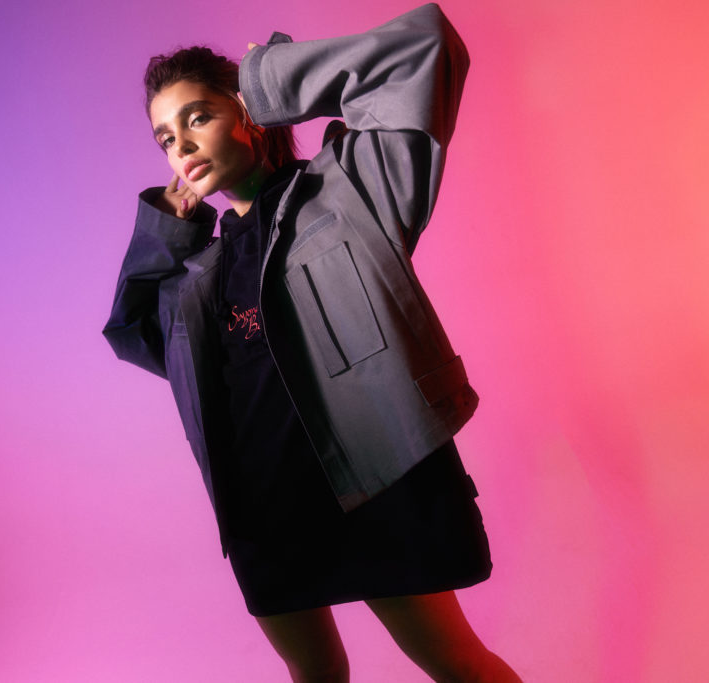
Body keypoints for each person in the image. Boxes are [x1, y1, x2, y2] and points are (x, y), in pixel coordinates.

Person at [103, 4, 521, 681]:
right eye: (165, 138)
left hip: (373, 482)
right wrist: (167, 234)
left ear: (248, 113)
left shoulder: (347, 189)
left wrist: (271, 77)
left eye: (198, 117)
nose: (180, 145)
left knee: (454, 662)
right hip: (262, 507)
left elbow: (426, 51)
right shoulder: (197, 273)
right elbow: (132, 332)